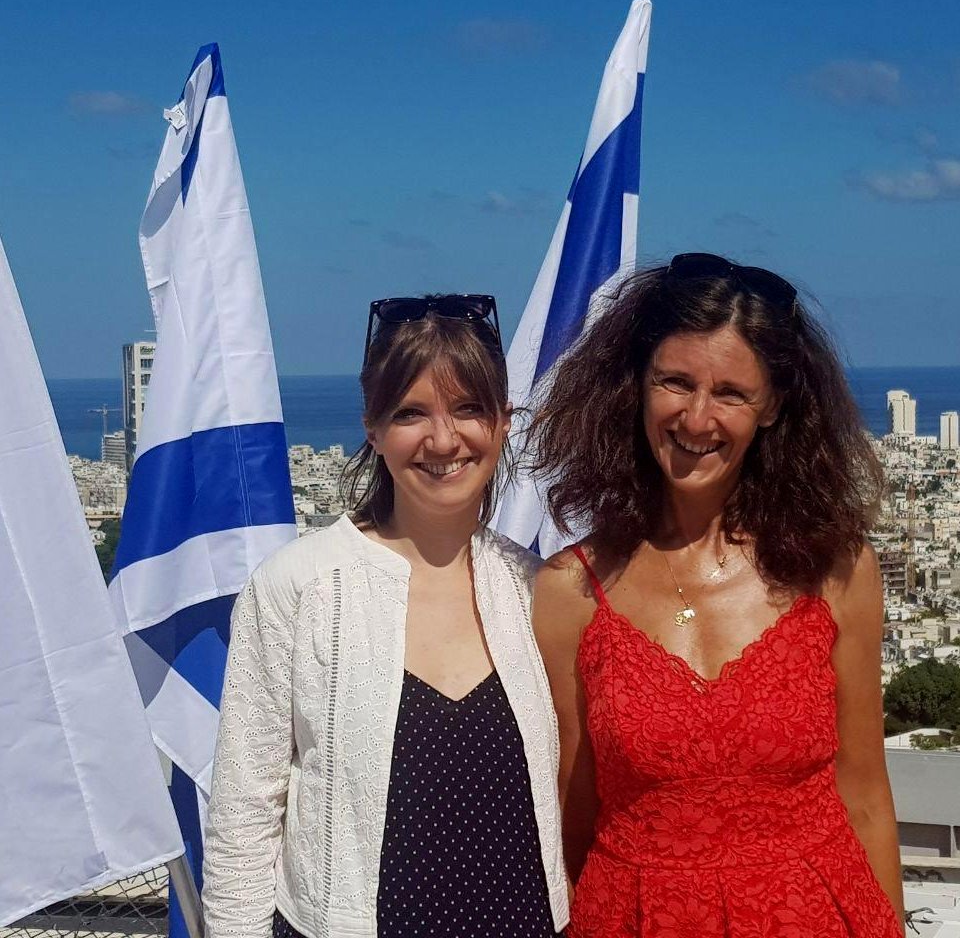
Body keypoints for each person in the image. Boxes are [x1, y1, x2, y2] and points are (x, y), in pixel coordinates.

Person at [531, 255, 904, 936]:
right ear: (636, 385)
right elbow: (571, 813)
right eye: (675, 382)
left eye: (731, 393)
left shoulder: (835, 571)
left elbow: (866, 796)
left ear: (773, 407)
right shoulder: (570, 592)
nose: (697, 418)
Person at [201, 294, 569, 938]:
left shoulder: (538, 590)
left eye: (468, 409)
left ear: (504, 422)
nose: (443, 439)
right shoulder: (299, 587)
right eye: (410, 413)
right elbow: (244, 819)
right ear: (372, 429)